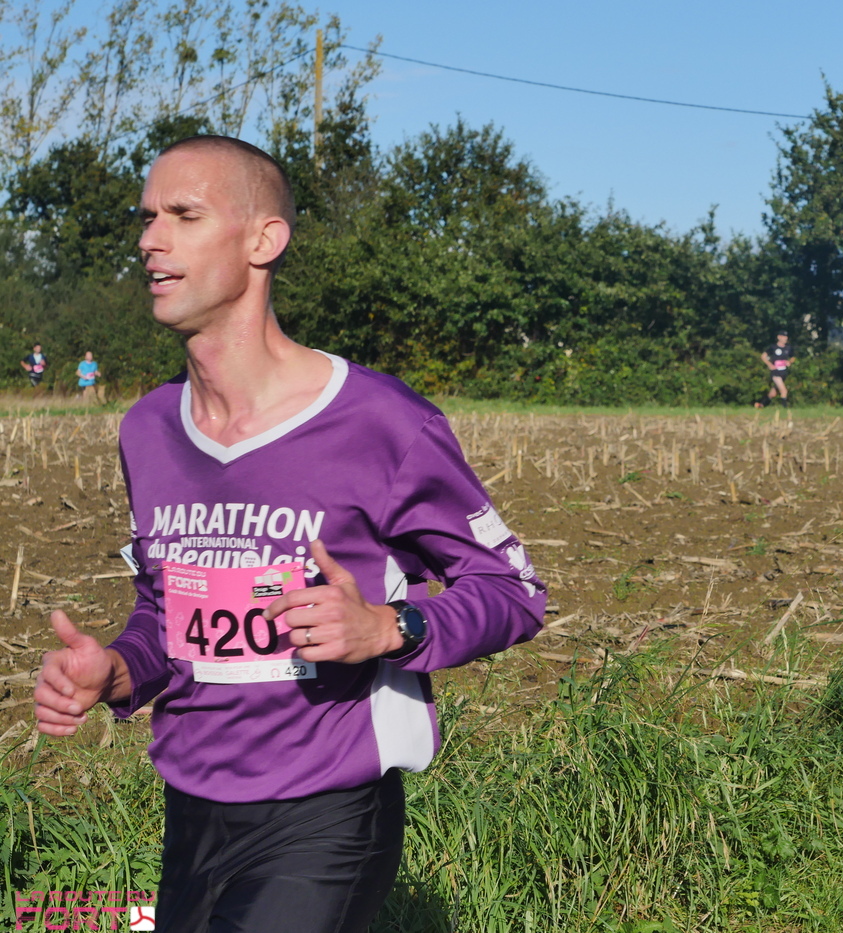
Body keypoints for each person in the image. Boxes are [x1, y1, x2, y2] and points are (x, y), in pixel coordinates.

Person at [33, 136, 546, 933]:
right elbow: (165, 619)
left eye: (184, 215)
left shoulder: (381, 422)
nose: (149, 240)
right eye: (146, 217)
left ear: (264, 240)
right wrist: (118, 671)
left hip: (325, 814)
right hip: (192, 810)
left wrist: (391, 627)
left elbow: (514, 592)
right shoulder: (147, 429)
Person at [755, 330, 794, 409]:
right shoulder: (773, 347)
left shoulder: (788, 348)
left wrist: (789, 362)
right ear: (779, 337)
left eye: (786, 337)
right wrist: (769, 364)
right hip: (776, 373)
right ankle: (785, 409)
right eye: (783, 336)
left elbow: (793, 357)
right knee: (784, 391)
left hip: (783, 372)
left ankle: (760, 405)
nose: (785, 338)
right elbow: (763, 356)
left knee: (773, 393)